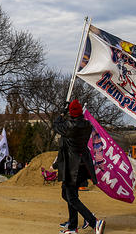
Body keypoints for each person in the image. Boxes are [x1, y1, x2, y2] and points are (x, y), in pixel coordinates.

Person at [53, 99, 104, 234]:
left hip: (72, 166)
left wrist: (62, 113)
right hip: (82, 164)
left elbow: (56, 125)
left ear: (71, 113)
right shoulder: (86, 125)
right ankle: (73, 226)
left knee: (71, 197)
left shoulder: (70, 126)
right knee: (68, 194)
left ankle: (93, 221)